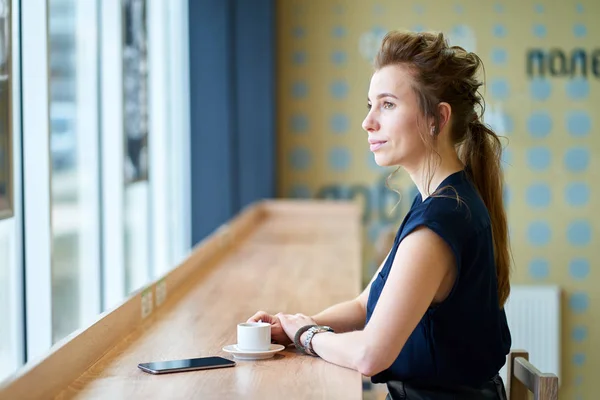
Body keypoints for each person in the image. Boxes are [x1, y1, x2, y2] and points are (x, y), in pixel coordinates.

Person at [248, 30, 512, 400]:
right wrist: (293, 325)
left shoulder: (440, 224)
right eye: (369, 105)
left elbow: (371, 355)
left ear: (437, 118)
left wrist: (307, 336)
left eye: (387, 105)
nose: (368, 122)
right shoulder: (439, 204)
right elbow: (364, 305)